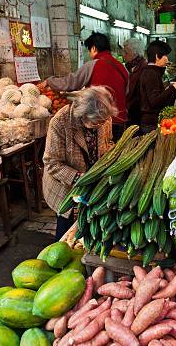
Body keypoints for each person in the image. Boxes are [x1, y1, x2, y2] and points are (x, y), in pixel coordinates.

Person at [42, 86, 116, 239]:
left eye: (103, 121)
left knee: (91, 224)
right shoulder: (61, 122)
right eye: (95, 122)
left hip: (93, 180)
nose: (100, 124)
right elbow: (52, 163)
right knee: (66, 229)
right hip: (65, 185)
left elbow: (108, 141)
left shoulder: (104, 117)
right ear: (82, 114)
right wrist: (81, 179)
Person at [42, 32, 128, 140]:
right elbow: (126, 92)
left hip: (99, 122)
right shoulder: (122, 67)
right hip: (120, 121)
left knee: (101, 154)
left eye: (89, 50)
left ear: (93, 48)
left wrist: (50, 81)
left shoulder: (93, 65)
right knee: (118, 152)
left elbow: (71, 82)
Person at [139, 40, 176, 134]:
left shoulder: (153, 72)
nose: (167, 60)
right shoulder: (151, 74)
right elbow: (154, 101)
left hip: (151, 122)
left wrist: (170, 89)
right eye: (165, 56)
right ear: (157, 56)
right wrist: (173, 88)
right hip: (150, 124)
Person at [122, 38, 147, 126]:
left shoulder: (144, 67)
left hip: (138, 113)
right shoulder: (130, 67)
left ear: (134, 53)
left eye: (126, 52)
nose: (123, 55)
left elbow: (139, 93)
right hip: (131, 111)